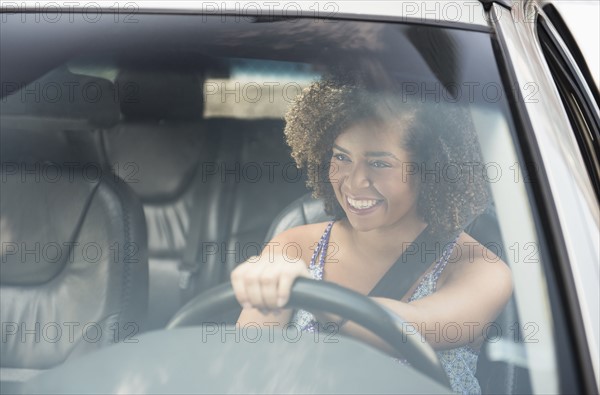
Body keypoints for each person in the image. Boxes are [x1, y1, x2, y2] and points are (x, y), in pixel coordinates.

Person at [230, 76, 513, 394]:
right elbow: (248, 373)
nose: (354, 182)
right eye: (341, 157)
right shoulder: (294, 247)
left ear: (431, 168)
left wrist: (304, 291)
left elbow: (412, 328)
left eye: (379, 163)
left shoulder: (481, 271)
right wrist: (267, 289)